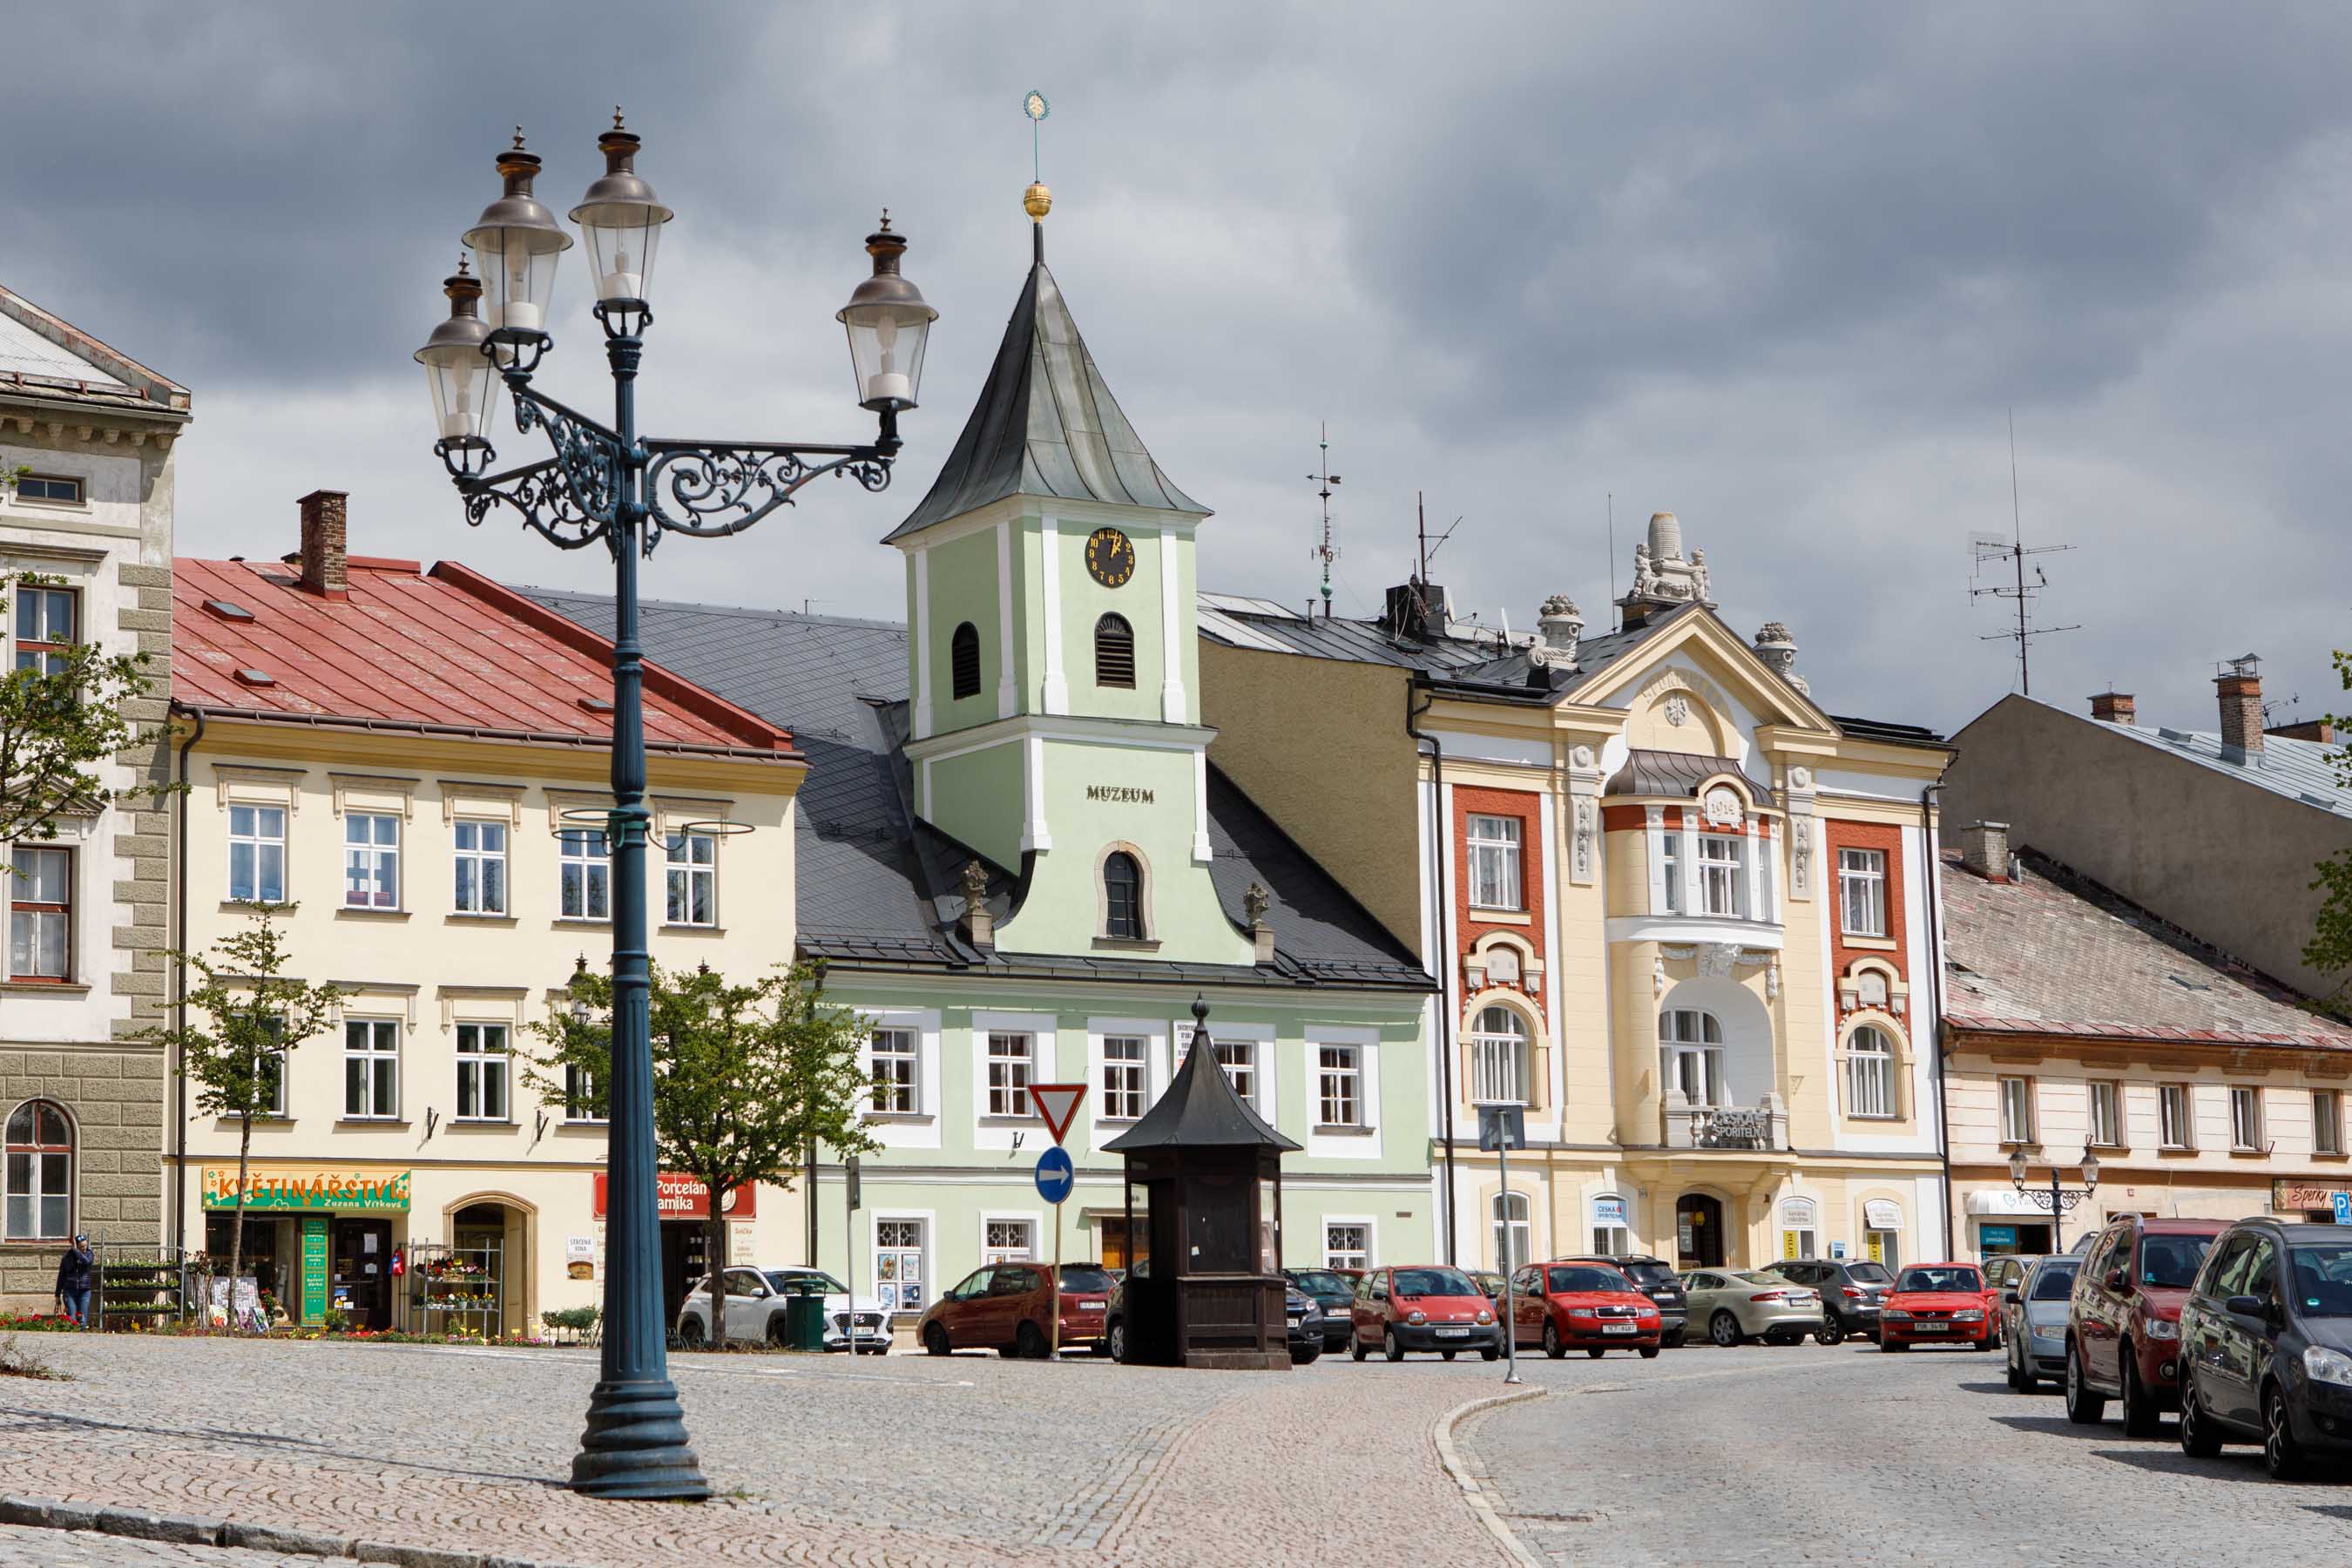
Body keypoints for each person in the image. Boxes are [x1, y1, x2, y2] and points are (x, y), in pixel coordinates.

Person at [54, 1233, 94, 1327]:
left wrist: (76, 1251)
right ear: (76, 1246)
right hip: (69, 1290)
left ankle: (82, 1337)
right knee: (72, 1317)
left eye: (85, 1245)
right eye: (81, 1246)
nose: (84, 1248)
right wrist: (57, 1294)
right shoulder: (67, 1258)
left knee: (83, 1318)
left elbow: (86, 1262)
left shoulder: (89, 1254)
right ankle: (72, 1338)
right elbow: (61, 1276)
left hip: (84, 1290)